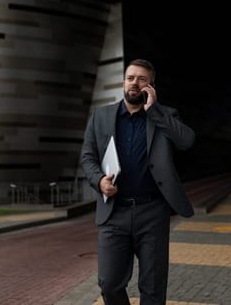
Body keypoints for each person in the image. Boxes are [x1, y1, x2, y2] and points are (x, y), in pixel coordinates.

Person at [81, 58, 196, 305]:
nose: (135, 83)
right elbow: (88, 157)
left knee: (153, 288)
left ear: (151, 86)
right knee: (109, 283)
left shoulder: (166, 115)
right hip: (114, 213)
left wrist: (154, 111)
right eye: (131, 77)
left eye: (142, 79)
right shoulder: (101, 116)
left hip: (152, 211)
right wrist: (99, 181)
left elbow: (186, 141)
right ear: (124, 81)